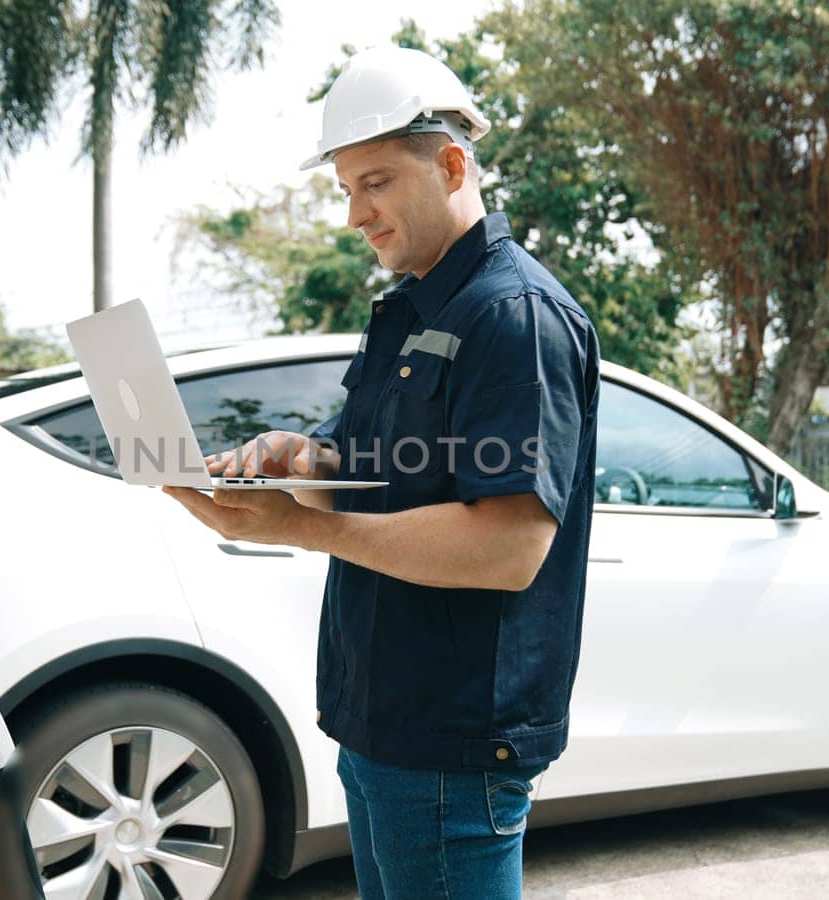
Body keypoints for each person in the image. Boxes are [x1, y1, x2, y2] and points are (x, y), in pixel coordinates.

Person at [163, 45, 600, 899]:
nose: (357, 214)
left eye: (377, 182)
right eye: (346, 190)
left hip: (452, 737)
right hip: (382, 722)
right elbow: (369, 467)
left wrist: (301, 525)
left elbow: (507, 545)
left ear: (450, 164)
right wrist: (298, 461)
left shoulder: (514, 315)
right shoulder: (406, 309)